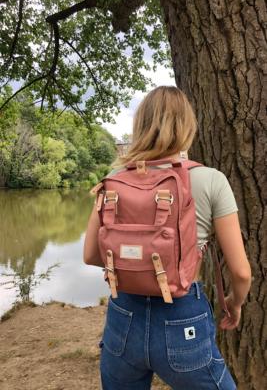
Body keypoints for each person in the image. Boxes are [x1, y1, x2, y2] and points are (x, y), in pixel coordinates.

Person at [83, 86, 251, 389]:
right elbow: (241, 272)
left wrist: (134, 264)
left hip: (123, 316)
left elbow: (90, 255)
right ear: (187, 126)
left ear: (141, 125)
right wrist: (234, 303)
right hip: (182, 314)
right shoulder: (210, 179)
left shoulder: (114, 181)